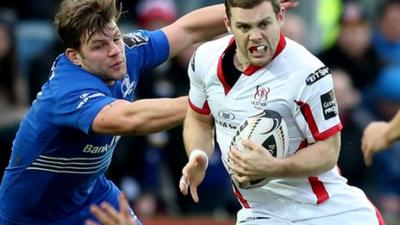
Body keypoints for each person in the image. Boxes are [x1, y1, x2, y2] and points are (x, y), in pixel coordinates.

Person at [0, 0, 229, 224]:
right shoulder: (66, 90)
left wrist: (244, 13)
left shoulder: (126, 51)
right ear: (74, 56)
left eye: (116, 38)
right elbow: (129, 119)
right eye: (99, 46)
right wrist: (216, 100)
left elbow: (187, 30)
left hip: (91, 196)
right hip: (31, 215)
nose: (115, 51)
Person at [179, 0, 386, 225]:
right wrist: (198, 156)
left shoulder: (308, 72)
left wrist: (273, 167)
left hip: (327, 210)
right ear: (228, 24)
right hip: (261, 213)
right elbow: (198, 117)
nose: (255, 36)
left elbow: (329, 150)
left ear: (280, 18)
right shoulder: (204, 60)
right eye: (244, 27)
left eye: (263, 24)